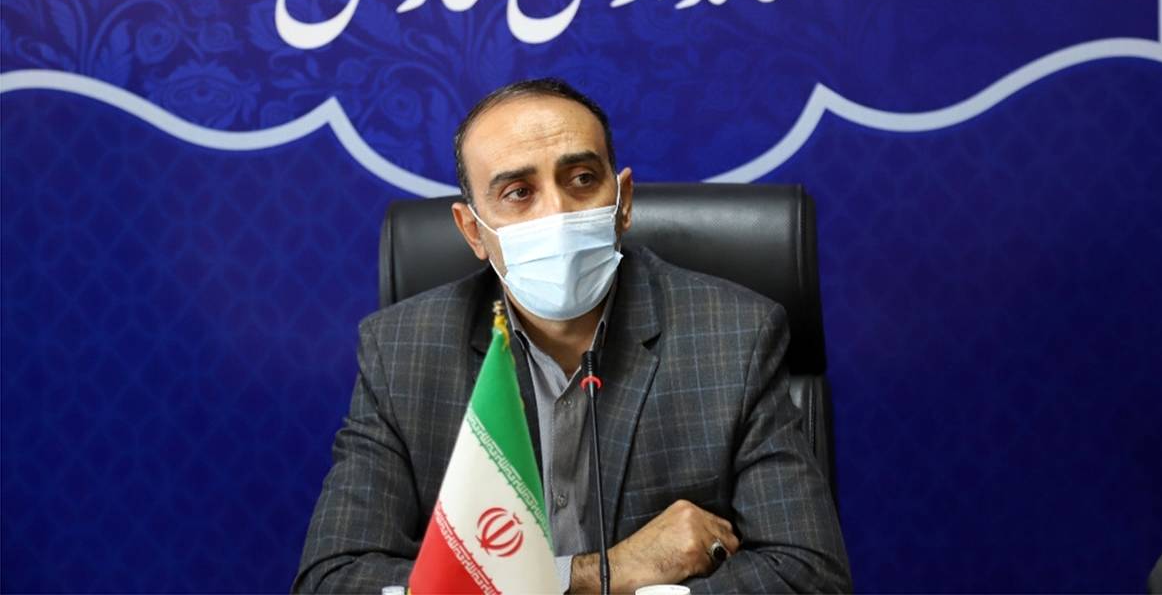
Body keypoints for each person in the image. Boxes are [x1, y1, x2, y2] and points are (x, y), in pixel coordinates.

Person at [293, 79, 851, 593]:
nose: (557, 212)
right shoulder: (401, 351)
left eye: (582, 179)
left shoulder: (735, 334)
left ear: (623, 201)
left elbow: (810, 576)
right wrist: (604, 574)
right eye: (518, 192)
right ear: (472, 232)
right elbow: (333, 580)